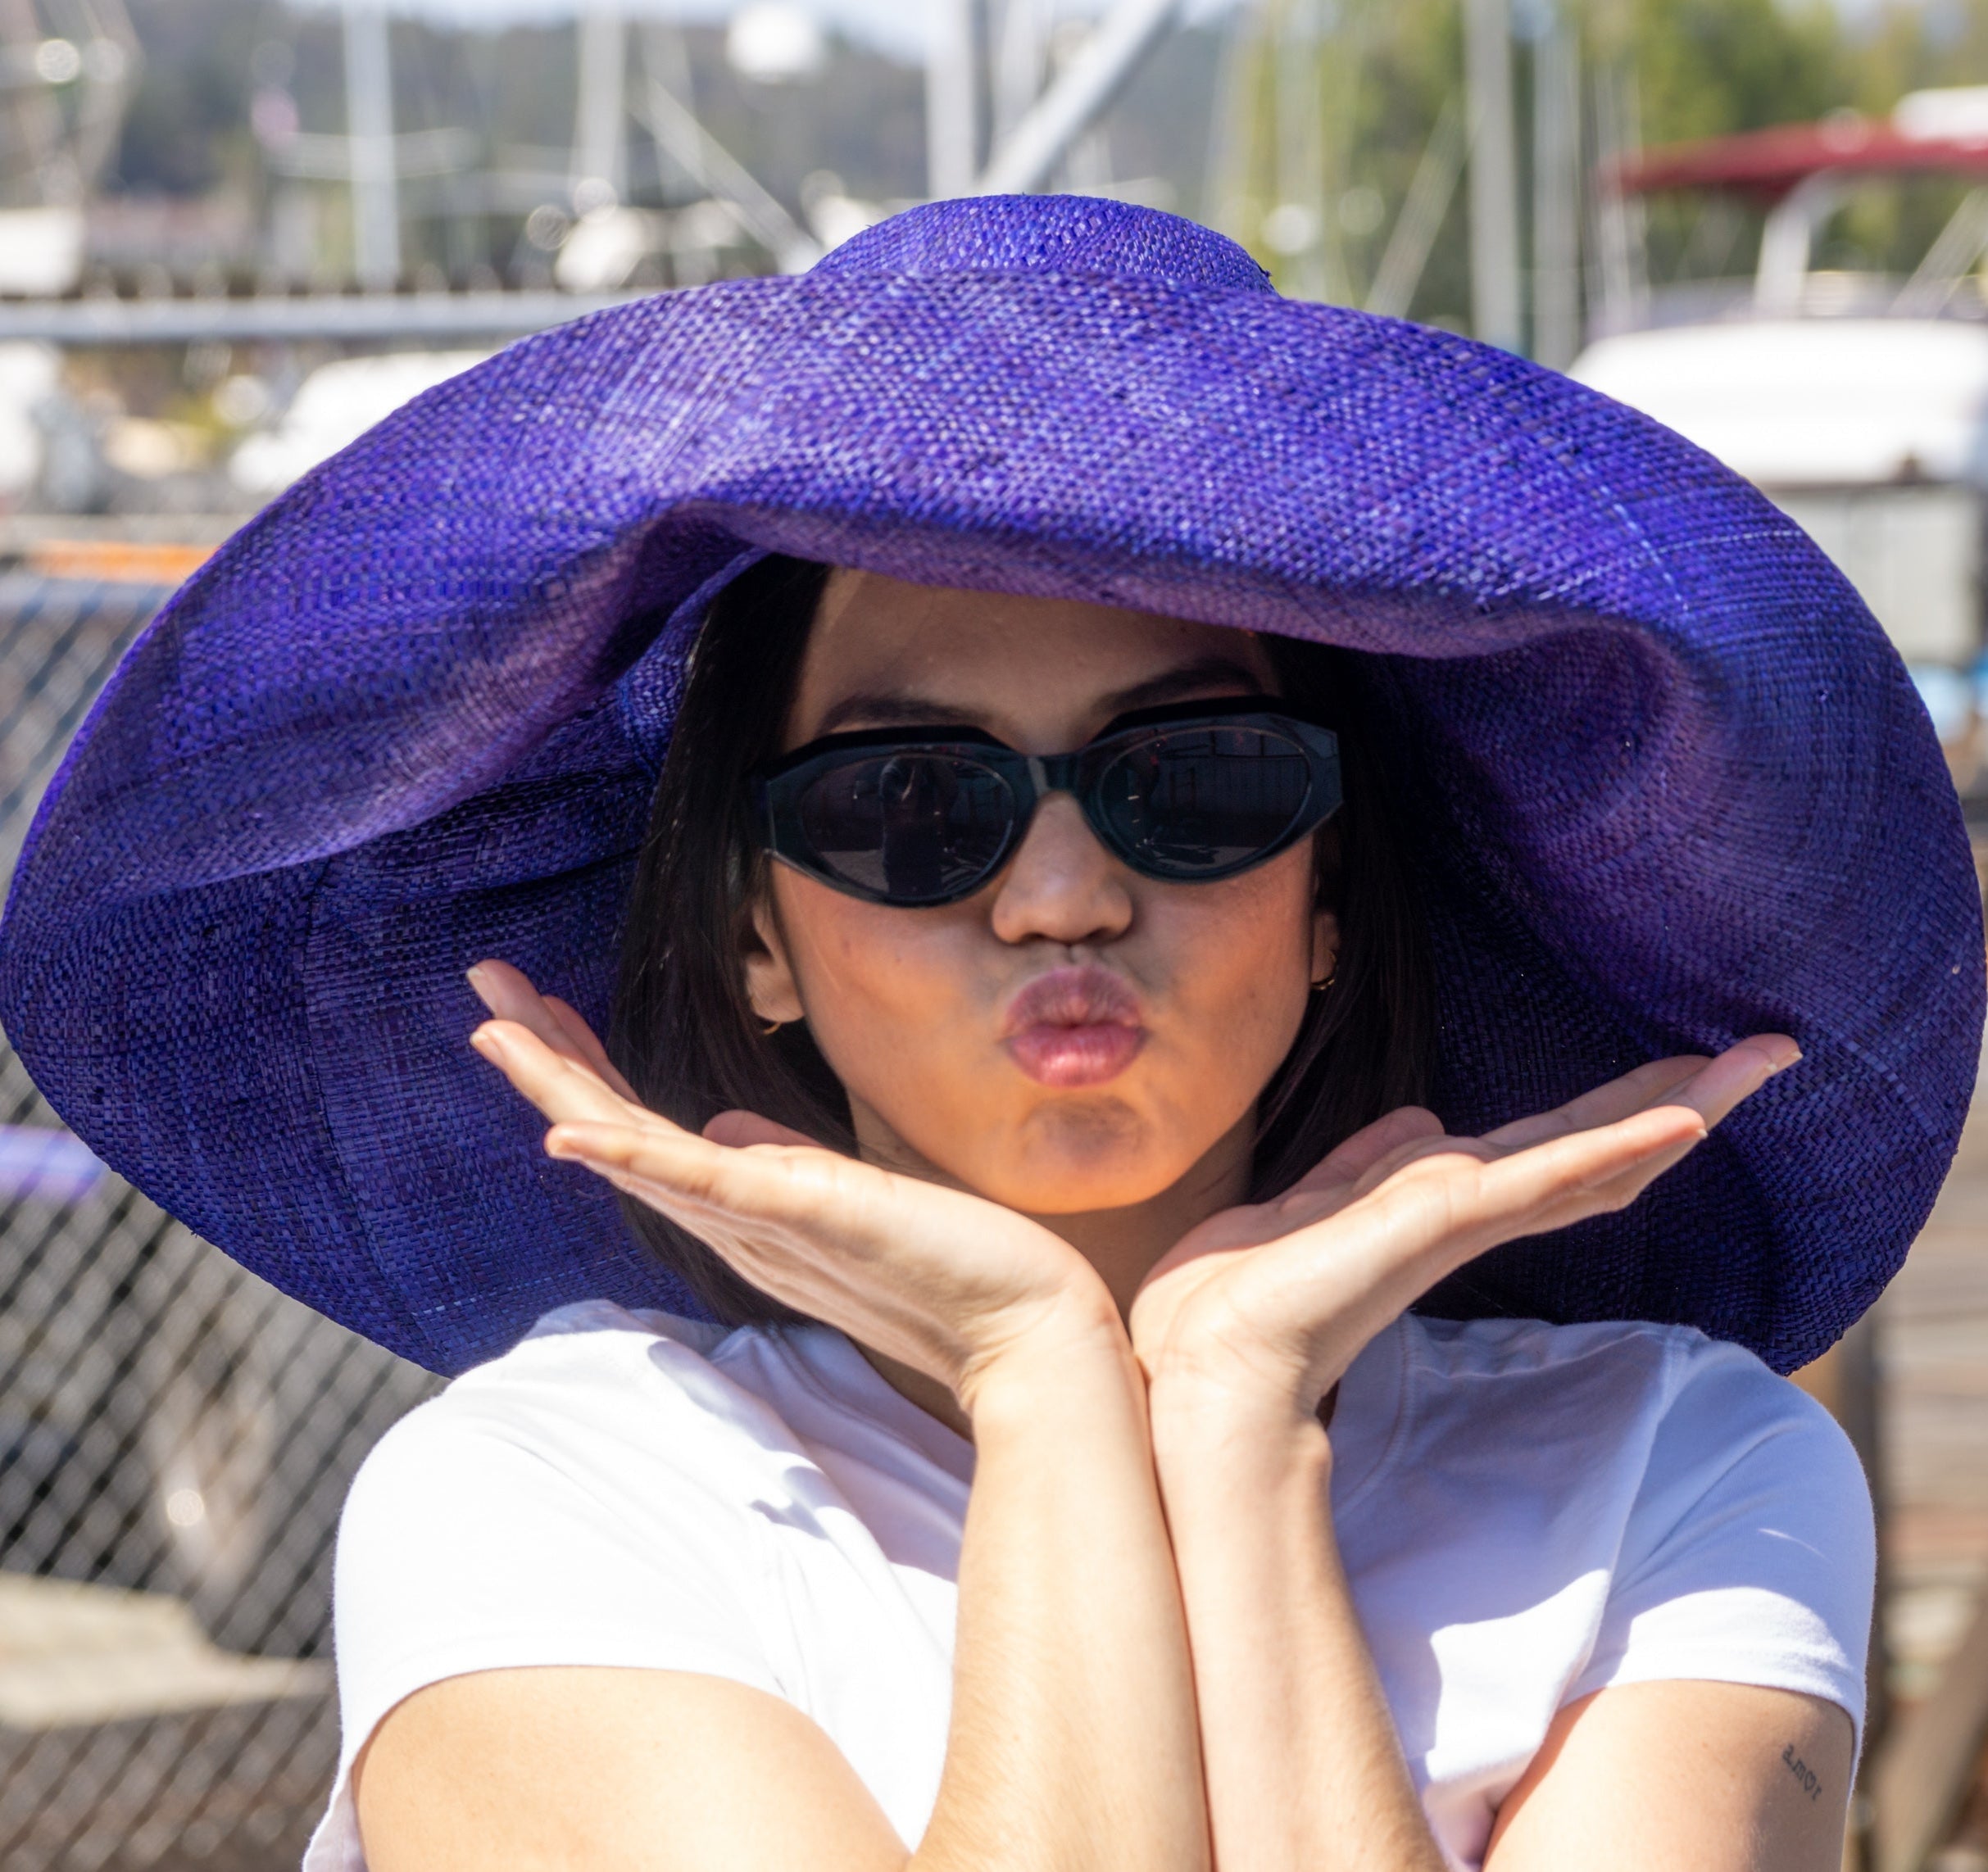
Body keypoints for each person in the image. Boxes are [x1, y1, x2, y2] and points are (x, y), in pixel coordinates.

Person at [0, 197, 1977, 1872]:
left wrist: (1237, 1420)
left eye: (1194, 782)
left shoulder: (1674, 1474)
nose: (1056, 898)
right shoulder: (551, 1491)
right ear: (755, 935)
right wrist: (1039, 1379)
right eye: (906, 805)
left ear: (1333, 896)